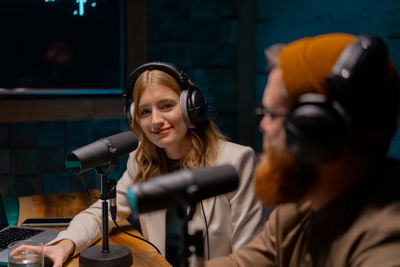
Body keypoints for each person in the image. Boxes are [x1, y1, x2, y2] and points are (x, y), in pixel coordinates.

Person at [42, 62, 267, 267]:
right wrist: (65, 243)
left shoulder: (236, 161)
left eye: (166, 106)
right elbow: (104, 212)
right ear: (134, 119)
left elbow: (250, 258)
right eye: (145, 112)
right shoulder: (141, 161)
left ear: (191, 108)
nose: (156, 121)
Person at [205, 33, 400, 266]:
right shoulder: (301, 206)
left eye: (272, 114)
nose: (263, 125)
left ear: (317, 127)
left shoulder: (385, 243)